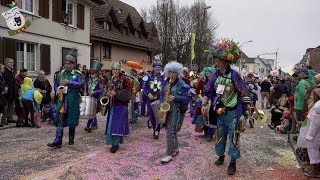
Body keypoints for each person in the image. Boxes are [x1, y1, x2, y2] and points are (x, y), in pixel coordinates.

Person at [202, 39, 248, 175]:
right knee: (220, 135)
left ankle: (232, 162)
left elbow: (243, 91)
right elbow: (209, 90)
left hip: (233, 113)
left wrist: (245, 112)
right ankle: (221, 156)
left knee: (234, 137)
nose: (216, 63)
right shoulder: (215, 75)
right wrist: (205, 100)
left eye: (218, 61)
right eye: (216, 60)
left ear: (225, 62)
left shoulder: (234, 75)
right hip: (220, 112)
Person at [47, 50, 83, 148]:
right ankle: (58, 141)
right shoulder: (60, 74)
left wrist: (69, 82)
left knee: (72, 119)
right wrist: (57, 90)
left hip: (73, 100)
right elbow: (56, 84)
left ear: (73, 64)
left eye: (69, 64)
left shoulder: (77, 74)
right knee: (60, 119)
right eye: (65, 63)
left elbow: (81, 84)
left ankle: (71, 138)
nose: (66, 65)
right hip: (62, 100)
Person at [160, 61, 190, 163]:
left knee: (170, 131)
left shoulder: (182, 84)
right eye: (170, 72)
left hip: (176, 111)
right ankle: (175, 148)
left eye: (174, 72)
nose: (172, 74)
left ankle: (169, 153)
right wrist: (161, 105)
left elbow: (186, 98)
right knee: (171, 131)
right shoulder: (165, 82)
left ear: (178, 73)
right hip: (166, 110)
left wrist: (175, 97)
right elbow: (161, 95)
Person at [105, 61, 131, 153]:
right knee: (111, 125)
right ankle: (112, 142)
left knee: (117, 125)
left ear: (120, 70)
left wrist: (116, 93)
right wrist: (106, 93)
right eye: (113, 69)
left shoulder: (125, 80)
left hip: (120, 106)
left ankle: (115, 144)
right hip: (112, 105)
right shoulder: (110, 80)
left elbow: (128, 94)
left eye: (117, 69)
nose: (115, 71)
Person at [143, 58, 165, 139]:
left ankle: (157, 130)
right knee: (152, 115)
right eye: (156, 67)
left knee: (158, 115)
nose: (158, 69)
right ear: (153, 68)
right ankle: (153, 125)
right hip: (150, 99)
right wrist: (148, 94)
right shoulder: (148, 77)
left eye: (159, 67)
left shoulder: (163, 78)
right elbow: (144, 87)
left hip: (159, 100)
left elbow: (165, 88)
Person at [195, 67, 216, 140]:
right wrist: (201, 98)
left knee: (212, 115)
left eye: (209, 71)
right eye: (206, 71)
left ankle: (211, 133)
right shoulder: (202, 81)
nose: (207, 73)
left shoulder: (215, 80)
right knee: (202, 114)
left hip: (213, 100)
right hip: (204, 99)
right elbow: (197, 91)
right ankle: (205, 130)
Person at [84, 62, 104, 133]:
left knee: (92, 112)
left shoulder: (100, 81)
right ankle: (94, 125)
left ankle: (89, 126)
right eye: (91, 73)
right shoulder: (88, 80)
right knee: (92, 112)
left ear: (97, 73)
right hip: (89, 98)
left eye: (93, 73)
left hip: (96, 99)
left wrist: (94, 92)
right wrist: (85, 92)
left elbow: (101, 90)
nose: (91, 75)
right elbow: (86, 87)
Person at [304, 99, 320, 178]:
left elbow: (314, 127)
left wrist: (309, 136)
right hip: (316, 136)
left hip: (314, 137)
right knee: (314, 151)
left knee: (313, 152)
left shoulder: (317, 116)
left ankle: (314, 170)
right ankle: (314, 168)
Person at [2, 58, 18, 125]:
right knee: (5, 106)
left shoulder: (12, 71)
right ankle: (4, 120)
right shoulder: (4, 72)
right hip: (7, 93)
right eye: (11, 62)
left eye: (13, 62)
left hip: (13, 92)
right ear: (6, 63)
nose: (12, 64)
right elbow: (4, 82)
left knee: (11, 106)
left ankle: (9, 118)